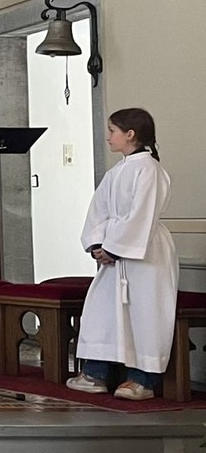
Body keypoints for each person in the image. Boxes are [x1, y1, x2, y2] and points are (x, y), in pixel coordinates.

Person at [66, 108, 176, 401]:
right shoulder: (115, 172)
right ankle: (96, 374)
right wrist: (97, 245)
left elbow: (142, 215)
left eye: (112, 131)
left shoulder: (149, 170)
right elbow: (98, 211)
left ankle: (142, 380)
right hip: (114, 255)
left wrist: (114, 248)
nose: (108, 137)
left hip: (146, 254)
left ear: (130, 134)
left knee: (144, 315)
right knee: (102, 313)